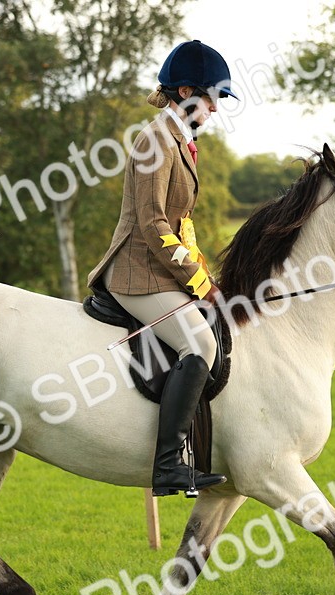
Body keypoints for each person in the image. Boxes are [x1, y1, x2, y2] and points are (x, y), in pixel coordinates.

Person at [86, 40, 239, 497]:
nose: (214, 109)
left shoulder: (181, 140)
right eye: (210, 98)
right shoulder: (155, 139)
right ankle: (168, 465)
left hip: (159, 269)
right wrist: (196, 281)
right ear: (186, 91)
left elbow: (181, 222)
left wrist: (203, 276)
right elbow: (153, 225)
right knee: (199, 344)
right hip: (136, 272)